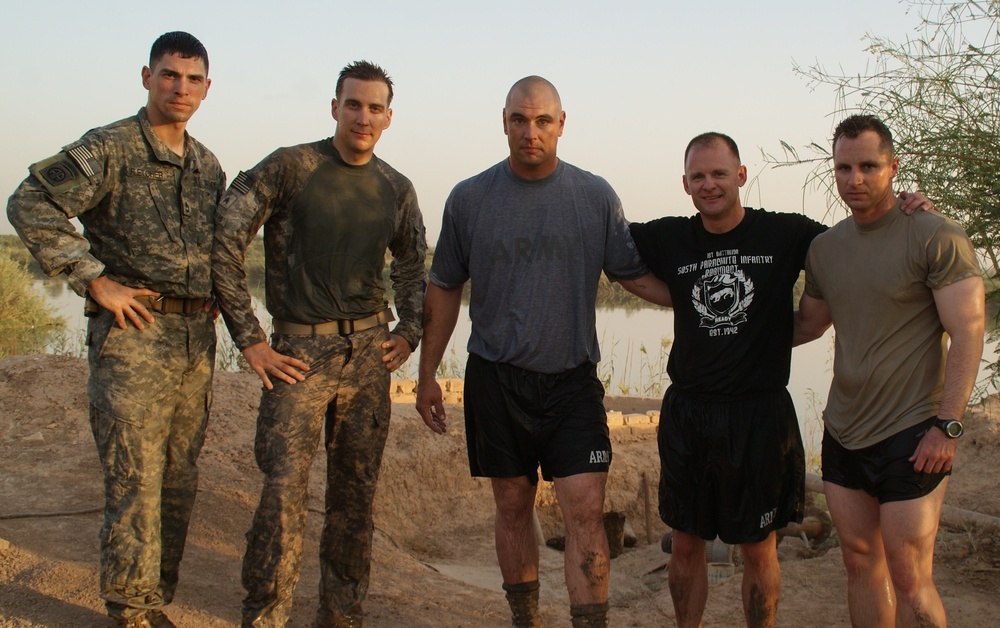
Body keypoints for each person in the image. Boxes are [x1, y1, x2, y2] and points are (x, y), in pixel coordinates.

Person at [628, 132, 932, 627]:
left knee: (758, 548)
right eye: (699, 177)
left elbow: (856, 239)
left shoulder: (787, 233)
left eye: (720, 174)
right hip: (689, 411)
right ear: (685, 184)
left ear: (741, 176)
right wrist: (670, 296)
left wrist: (904, 208)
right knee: (685, 542)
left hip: (760, 414)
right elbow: (607, 246)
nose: (710, 185)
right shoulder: (668, 237)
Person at [415, 76, 667, 628]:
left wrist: (704, 310)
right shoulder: (469, 198)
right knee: (511, 506)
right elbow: (444, 288)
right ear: (503, 121)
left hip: (572, 380)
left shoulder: (593, 195)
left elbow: (636, 277)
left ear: (561, 123)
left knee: (584, 507)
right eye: (519, 120)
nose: (531, 132)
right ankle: (524, 619)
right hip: (496, 379)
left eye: (543, 120)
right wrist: (427, 371)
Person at [5, 32, 223, 628]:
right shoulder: (110, 147)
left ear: (207, 88)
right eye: (170, 75)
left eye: (193, 78)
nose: (180, 88)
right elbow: (30, 202)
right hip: (133, 336)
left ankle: (157, 599)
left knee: (179, 479)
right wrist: (93, 280)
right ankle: (131, 609)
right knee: (136, 478)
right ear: (146, 77)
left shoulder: (207, 166)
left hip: (194, 342)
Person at [211, 60, 426, 627]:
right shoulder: (291, 167)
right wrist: (250, 340)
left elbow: (411, 265)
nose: (363, 117)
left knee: (354, 503)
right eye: (352, 104)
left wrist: (409, 331)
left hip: (367, 357)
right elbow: (225, 241)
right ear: (334, 107)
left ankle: (341, 615)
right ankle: (265, 614)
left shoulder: (396, 188)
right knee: (282, 496)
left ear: (388, 117)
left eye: (374, 107)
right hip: (296, 360)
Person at [795, 114, 985, 627]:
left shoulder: (934, 234)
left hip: (913, 431)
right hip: (843, 431)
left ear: (893, 167)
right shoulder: (825, 248)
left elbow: (968, 331)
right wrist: (721, 326)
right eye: (844, 168)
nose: (855, 179)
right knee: (859, 563)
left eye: (869, 166)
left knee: (909, 576)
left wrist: (947, 427)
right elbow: (807, 326)